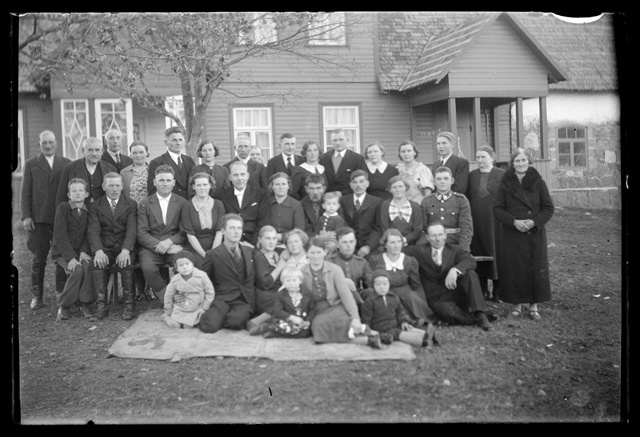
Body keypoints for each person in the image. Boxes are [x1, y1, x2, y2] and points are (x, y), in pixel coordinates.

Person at [493, 148, 554, 320]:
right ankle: (516, 305)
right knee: (514, 269)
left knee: (534, 268)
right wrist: (514, 222)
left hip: (534, 233)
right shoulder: (505, 184)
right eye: (518, 161)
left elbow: (548, 208)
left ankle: (533, 306)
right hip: (512, 234)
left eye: (524, 160)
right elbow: (497, 209)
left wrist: (534, 222)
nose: (521, 164)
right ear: (512, 164)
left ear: (529, 162)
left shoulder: (538, 183)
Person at [404, 223, 494, 331]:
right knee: (446, 312)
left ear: (445, 235)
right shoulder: (418, 250)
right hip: (436, 299)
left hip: (455, 292)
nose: (438, 239)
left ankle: (481, 315)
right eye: (433, 236)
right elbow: (397, 252)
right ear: (427, 237)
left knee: (470, 274)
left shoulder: (455, 249)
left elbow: (470, 261)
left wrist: (455, 270)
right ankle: (473, 320)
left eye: (440, 234)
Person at [20, 130, 71, 310]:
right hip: (39, 219)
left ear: (56, 143)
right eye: (44, 144)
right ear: (39, 145)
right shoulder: (32, 164)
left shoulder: (65, 163)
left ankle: (60, 293)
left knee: (60, 256)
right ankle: (37, 295)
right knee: (38, 258)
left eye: (50, 143)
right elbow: (25, 191)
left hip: (59, 217)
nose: (48, 146)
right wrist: (26, 216)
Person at [87, 172, 139, 320]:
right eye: (111, 185)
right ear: (104, 186)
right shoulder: (95, 205)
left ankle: (130, 305)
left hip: (124, 246)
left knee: (127, 263)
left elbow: (131, 230)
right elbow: (93, 231)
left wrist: (125, 250)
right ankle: (102, 306)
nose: (114, 189)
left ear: (122, 186)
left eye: (117, 185)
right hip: (105, 248)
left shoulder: (130, 204)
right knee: (97, 264)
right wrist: (98, 251)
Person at [368, 228, 438, 332]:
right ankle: (406, 322)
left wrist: (423, 304)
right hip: (387, 294)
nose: (396, 246)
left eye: (399, 242)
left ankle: (418, 319)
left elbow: (416, 285)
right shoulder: (376, 260)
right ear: (385, 244)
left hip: (406, 294)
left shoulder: (409, 261)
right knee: (393, 300)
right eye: (392, 242)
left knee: (411, 297)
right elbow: (372, 284)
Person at [137, 165, 188, 300]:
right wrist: (160, 245)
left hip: (174, 246)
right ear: (154, 182)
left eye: (168, 180)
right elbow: (141, 233)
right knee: (148, 268)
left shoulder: (182, 202)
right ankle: (167, 299)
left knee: (184, 263)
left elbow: (184, 231)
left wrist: (169, 242)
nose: (165, 184)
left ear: (173, 182)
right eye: (161, 180)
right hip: (151, 247)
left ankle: (185, 296)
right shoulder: (145, 203)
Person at [199, 214, 257, 333]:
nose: (236, 232)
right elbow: (203, 281)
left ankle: (235, 317)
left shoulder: (249, 251)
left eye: (239, 228)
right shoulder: (213, 255)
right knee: (209, 326)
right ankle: (221, 317)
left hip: (243, 300)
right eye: (232, 228)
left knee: (235, 322)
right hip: (222, 299)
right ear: (223, 231)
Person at [301, 237, 364, 343]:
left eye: (319, 252)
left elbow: (346, 295)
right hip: (315, 309)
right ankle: (357, 337)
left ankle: (364, 337)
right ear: (306, 253)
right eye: (312, 253)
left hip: (335, 306)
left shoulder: (335, 270)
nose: (316, 256)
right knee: (318, 324)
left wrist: (355, 318)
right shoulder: (302, 272)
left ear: (325, 252)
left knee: (344, 321)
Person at [50, 178, 95, 322]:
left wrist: (83, 251)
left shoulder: (89, 210)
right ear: (69, 195)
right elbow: (60, 235)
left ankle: (85, 303)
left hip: (80, 251)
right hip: (63, 252)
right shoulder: (63, 208)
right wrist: (71, 258)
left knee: (88, 266)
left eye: (80, 190)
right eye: (73, 191)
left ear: (86, 194)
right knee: (77, 270)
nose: (77, 193)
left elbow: (90, 233)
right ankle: (64, 306)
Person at [466, 145, 506, 300]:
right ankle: (483, 289)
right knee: (478, 252)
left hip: (496, 222)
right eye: (478, 157)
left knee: (497, 252)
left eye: (483, 157)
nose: (480, 160)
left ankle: (498, 290)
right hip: (476, 221)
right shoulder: (472, 175)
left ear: (492, 157)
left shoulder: (502, 174)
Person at [361, 269, 437, 348]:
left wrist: (403, 322)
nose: (382, 287)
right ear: (373, 286)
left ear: (389, 284)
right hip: (381, 330)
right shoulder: (370, 302)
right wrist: (369, 332)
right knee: (397, 332)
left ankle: (426, 334)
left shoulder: (393, 297)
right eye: (378, 284)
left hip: (395, 325)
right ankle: (422, 341)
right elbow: (366, 320)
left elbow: (400, 312)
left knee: (406, 328)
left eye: (384, 284)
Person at [120, 141, 153, 301]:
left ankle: (149, 287)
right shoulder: (124, 172)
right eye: (135, 152)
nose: (138, 155)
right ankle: (138, 288)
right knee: (135, 248)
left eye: (141, 152)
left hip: (149, 215)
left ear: (147, 153)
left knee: (148, 248)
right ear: (130, 154)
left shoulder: (152, 170)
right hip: (131, 215)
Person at [418, 166, 473, 252]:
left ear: (452, 181)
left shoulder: (460, 200)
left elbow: (466, 228)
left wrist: (464, 250)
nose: (442, 181)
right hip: (433, 243)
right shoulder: (427, 201)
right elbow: (423, 228)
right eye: (439, 179)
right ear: (434, 181)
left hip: (454, 242)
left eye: (446, 178)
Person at [252, 267, 316, 339]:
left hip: (301, 321)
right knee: (289, 327)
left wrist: (308, 321)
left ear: (300, 281)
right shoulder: (281, 295)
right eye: (288, 281)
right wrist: (291, 317)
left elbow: (311, 310)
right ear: (283, 283)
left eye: (294, 280)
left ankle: (275, 332)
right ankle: (266, 327)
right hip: (285, 319)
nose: (291, 283)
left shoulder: (307, 294)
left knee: (304, 333)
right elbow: (278, 311)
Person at [217, 160, 270, 247]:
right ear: (230, 177)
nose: (239, 178)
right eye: (235, 175)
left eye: (242, 174)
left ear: (248, 175)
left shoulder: (260, 194)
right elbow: (221, 222)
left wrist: (254, 243)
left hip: (254, 242)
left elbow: (263, 221)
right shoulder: (222, 196)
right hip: (229, 242)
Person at [247, 225, 289, 332]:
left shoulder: (279, 252)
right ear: (260, 239)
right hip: (265, 294)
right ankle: (256, 322)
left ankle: (265, 325)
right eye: (268, 238)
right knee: (289, 303)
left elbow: (301, 239)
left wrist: (288, 248)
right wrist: (279, 267)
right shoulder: (258, 256)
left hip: (278, 291)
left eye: (274, 238)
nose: (271, 242)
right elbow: (265, 283)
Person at [180, 172, 226, 268]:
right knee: (202, 266)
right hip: (195, 248)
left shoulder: (218, 204)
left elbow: (219, 232)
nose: (202, 188)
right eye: (198, 185)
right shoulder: (187, 206)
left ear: (210, 185)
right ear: (193, 187)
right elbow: (190, 235)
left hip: (215, 246)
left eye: (205, 184)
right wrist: (205, 255)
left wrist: (213, 254)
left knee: (220, 267)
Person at [56, 137, 118, 205]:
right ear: (83, 151)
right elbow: (61, 198)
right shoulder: (69, 169)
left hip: (103, 213)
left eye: (97, 150)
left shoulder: (111, 169)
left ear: (102, 151)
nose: (94, 153)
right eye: (90, 150)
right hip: (78, 213)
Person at [162, 250, 215, 329]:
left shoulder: (202, 276)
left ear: (193, 264)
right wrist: (168, 311)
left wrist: (204, 308)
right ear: (177, 268)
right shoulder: (175, 280)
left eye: (187, 264)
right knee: (175, 325)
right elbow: (168, 296)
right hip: (181, 308)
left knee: (188, 326)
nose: (185, 267)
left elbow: (210, 292)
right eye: (181, 265)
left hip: (197, 309)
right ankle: (165, 318)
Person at [340, 170, 383, 258]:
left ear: (367, 183)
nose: (358, 185)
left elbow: (378, 227)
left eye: (361, 182)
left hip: (370, 248)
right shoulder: (343, 201)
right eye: (355, 182)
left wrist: (368, 246)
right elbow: (342, 224)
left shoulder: (377, 202)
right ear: (351, 185)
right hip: (348, 246)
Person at [325, 227, 373, 306]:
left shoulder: (361, 262)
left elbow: (371, 282)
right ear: (337, 244)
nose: (349, 245)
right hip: (337, 298)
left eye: (351, 242)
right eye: (344, 242)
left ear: (355, 242)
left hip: (357, 295)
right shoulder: (330, 260)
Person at [147, 126, 196, 199]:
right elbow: (152, 190)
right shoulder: (157, 163)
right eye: (174, 140)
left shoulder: (189, 161)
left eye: (180, 140)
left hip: (188, 205)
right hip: (169, 205)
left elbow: (194, 185)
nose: (178, 143)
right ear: (166, 143)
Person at [378, 176, 424, 247]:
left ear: (406, 188)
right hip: (390, 243)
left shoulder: (415, 206)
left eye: (400, 186)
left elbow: (417, 230)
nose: (397, 189)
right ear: (390, 190)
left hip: (410, 244)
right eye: (394, 187)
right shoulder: (385, 205)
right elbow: (384, 228)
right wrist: (394, 242)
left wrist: (404, 240)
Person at [319, 128, 367, 195]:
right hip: (328, 198)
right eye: (335, 140)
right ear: (331, 142)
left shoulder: (358, 159)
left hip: (349, 197)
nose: (338, 143)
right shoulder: (323, 158)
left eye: (341, 139)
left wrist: (343, 193)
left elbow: (362, 181)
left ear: (347, 140)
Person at [264, 172, 305, 245]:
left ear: (288, 186)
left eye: (283, 184)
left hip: (290, 243)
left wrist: (281, 237)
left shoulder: (296, 205)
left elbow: (299, 230)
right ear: (272, 186)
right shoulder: (266, 204)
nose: (280, 187)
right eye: (277, 184)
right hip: (268, 243)